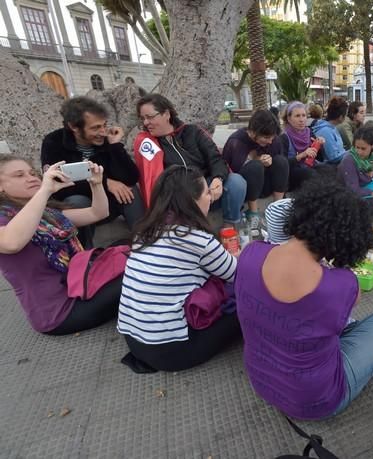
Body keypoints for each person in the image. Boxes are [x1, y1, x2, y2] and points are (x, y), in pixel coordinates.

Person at [235, 176, 373, 420]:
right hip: (316, 400)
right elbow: (352, 299)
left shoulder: (250, 253)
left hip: (262, 381)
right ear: (349, 240)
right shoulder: (341, 285)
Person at [117, 166, 240, 372]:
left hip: (135, 341)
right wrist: (240, 257)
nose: (210, 197)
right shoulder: (196, 239)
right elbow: (238, 275)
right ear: (191, 202)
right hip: (171, 351)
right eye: (207, 193)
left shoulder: (144, 231)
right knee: (249, 304)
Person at [0, 155, 122, 335]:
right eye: (19, 175)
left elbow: (98, 213)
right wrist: (45, 191)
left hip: (82, 286)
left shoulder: (46, 212)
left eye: (32, 173)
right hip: (60, 313)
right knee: (145, 274)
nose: (32, 178)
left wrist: (96, 184)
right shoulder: (6, 218)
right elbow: (12, 243)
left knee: (126, 248)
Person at [41, 97, 143, 247]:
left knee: (129, 190)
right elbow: (58, 184)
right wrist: (105, 182)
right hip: (80, 205)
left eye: (104, 125)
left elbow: (131, 177)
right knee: (77, 201)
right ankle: (85, 256)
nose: (102, 132)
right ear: (74, 127)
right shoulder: (54, 142)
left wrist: (115, 146)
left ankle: (145, 242)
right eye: (95, 128)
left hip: (109, 203)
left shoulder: (107, 139)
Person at [135, 94, 247, 227]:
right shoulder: (148, 143)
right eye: (143, 118)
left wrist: (218, 179)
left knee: (236, 182)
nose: (146, 123)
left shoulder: (193, 132)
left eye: (150, 117)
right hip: (181, 199)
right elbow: (153, 180)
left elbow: (216, 159)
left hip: (207, 190)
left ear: (166, 114)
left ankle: (230, 227)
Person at [222, 109, 289, 231]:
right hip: (246, 189)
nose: (270, 141)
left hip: (266, 184)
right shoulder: (237, 141)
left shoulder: (274, 141)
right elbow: (230, 172)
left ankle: (278, 208)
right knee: (255, 166)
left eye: (272, 137)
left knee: (281, 161)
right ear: (253, 132)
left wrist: (270, 161)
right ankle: (253, 213)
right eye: (266, 137)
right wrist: (255, 161)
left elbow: (280, 166)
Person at [278, 102, 319, 190]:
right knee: (311, 174)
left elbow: (320, 157)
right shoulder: (284, 137)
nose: (301, 120)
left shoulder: (309, 132)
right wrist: (302, 155)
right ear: (289, 119)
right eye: (297, 116)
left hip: (309, 166)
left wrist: (319, 145)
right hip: (293, 173)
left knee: (329, 170)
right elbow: (282, 165)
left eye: (303, 115)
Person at [311, 96, 350, 164]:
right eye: (346, 115)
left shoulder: (332, 128)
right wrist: (353, 152)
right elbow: (333, 157)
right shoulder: (326, 131)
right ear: (341, 117)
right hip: (331, 169)